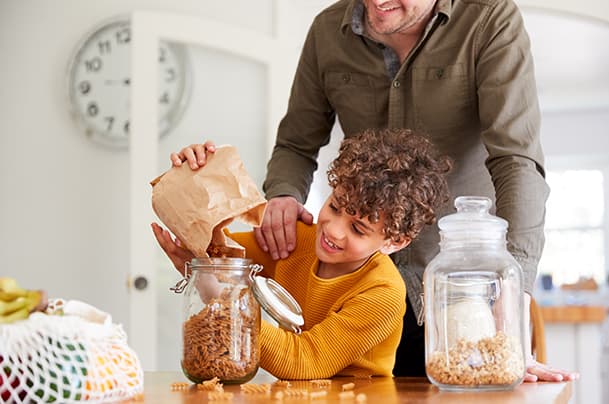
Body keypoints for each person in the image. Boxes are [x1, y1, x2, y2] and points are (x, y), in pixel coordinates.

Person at [253, 0, 578, 382]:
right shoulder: (327, 31)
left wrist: (510, 297)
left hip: (461, 292)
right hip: (364, 288)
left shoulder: (489, 19)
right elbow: (295, 145)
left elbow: (516, 161)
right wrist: (284, 195)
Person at [152, 128, 452, 379]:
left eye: (358, 229)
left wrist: (227, 303)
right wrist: (196, 178)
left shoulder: (383, 292)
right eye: (334, 207)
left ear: (395, 242)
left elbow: (304, 360)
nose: (333, 230)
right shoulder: (298, 240)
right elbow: (220, 253)